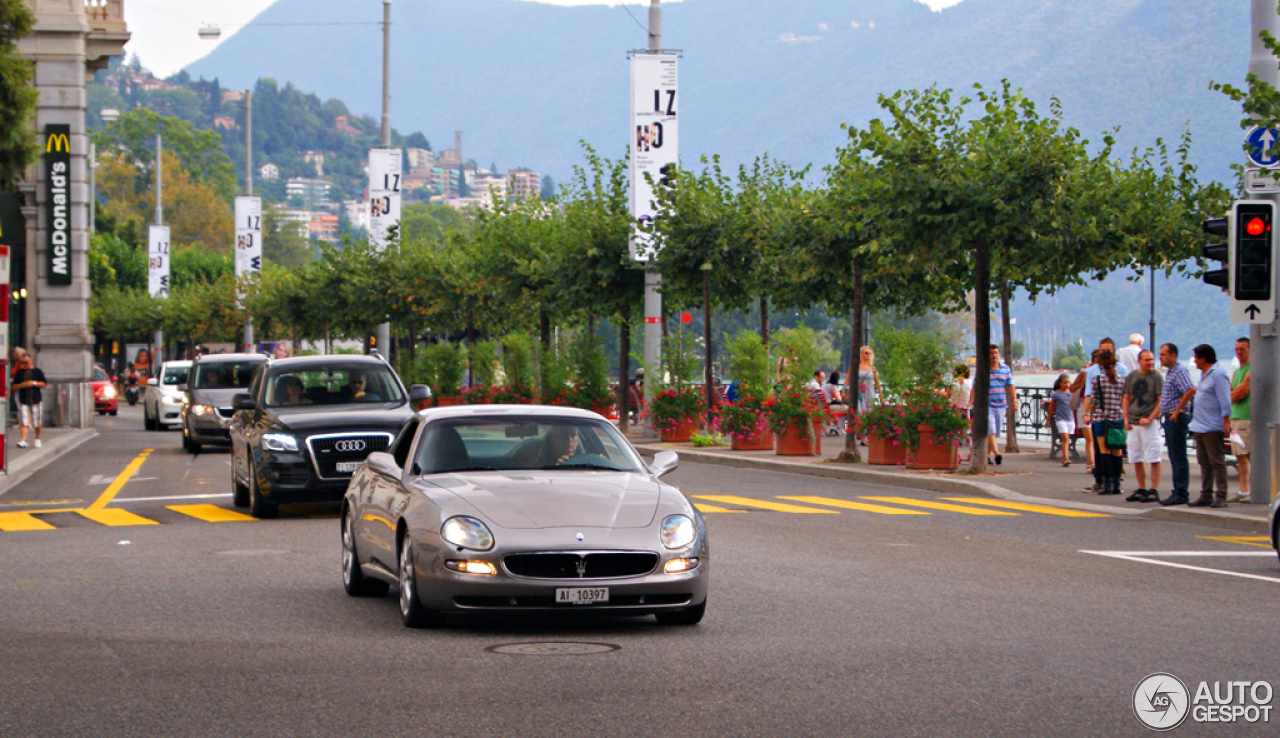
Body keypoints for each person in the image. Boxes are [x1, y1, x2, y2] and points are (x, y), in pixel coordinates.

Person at [1188, 344, 1233, 508]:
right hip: (1199, 425)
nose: (1194, 361)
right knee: (1204, 461)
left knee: (1217, 461)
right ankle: (1206, 494)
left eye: (1196, 357)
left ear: (1203, 358)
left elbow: (1225, 401)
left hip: (1212, 426)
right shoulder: (1204, 374)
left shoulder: (1218, 374)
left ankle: (1221, 494)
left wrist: (1225, 421)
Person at [1084, 339, 1128, 491]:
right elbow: (1125, 399)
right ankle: (1117, 483)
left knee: (1104, 451)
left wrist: (1090, 415)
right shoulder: (1122, 379)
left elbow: (1093, 401)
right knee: (1117, 451)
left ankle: (1107, 483)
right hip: (1118, 418)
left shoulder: (1098, 380)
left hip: (1102, 418)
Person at [1121, 349, 1164, 502]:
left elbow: (1161, 400)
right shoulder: (1132, 376)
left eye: (1151, 359)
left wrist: (1151, 417)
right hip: (1133, 422)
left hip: (1148, 423)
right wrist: (1125, 418)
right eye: (1146, 360)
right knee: (1136, 456)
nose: (1150, 363)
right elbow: (1126, 398)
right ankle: (1142, 488)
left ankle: (1154, 489)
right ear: (1139, 361)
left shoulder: (1157, 377)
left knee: (1153, 456)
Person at [1158, 343, 1196, 507]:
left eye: (1163, 354)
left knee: (1178, 456)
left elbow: (1190, 389)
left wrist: (1177, 409)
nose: (1161, 357)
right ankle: (1178, 490)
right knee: (1174, 456)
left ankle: (1181, 492)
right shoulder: (1171, 372)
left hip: (1177, 418)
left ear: (1173, 355)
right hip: (1170, 418)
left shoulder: (1179, 371)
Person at [1228, 337, 1251, 503]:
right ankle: (1243, 490)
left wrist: (1231, 396)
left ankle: (1249, 490)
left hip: (1246, 417)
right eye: (1237, 349)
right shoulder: (1237, 372)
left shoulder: (1252, 369)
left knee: (1246, 455)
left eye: (1242, 349)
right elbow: (1230, 391)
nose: (1239, 352)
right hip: (1235, 416)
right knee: (1239, 456)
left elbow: (1241, 391)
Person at [987, 344, 1016, 466]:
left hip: (1001, 404)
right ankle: (997, 453)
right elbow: (975, 385)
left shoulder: (1005, 369)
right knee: (991, 429)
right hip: (987, 405)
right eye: (991, 353)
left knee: (995, 432)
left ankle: (986, 456)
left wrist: (1014, 399)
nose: (994, 355)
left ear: (999, 354)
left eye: (996, 353)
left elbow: (1010, 385)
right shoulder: (983, 369)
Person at [13, 354, 47, 449]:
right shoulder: (19, 373)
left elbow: (44, 384)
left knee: (37, 420)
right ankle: (23, 440)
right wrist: (22, 385)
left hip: (36, 399)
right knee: (23, 419)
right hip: (23, 399)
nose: (24, 364)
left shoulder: (37, 372)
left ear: (30, 361)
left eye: (26, 362)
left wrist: (33, 383)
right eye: (22, 363)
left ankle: (37, 438)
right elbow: (15, 386)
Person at [1048, 375, 1074, 467]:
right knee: (1065, 438)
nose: (1067, 385)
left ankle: (1064, 458)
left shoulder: (1071, 393)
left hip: (1070, 419)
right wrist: (1048, 419)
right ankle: (1066, 457)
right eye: (1065, 382)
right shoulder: (1056, 394)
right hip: (1060, 418)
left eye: (1068, 382)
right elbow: (1051, 406)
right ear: (1060, 383)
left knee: (1067, 439)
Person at [856, 346, 881, 414]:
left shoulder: (872, 368)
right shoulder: (856, 366)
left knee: (869, 412)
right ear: (861, 354)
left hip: (870, 393)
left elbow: (877, 383)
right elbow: (848, 379)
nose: (868, 354)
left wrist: (881, 396)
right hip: (859, 393)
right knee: (859, 413)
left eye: (870, 353)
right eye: (866, 353)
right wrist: (844, 389)